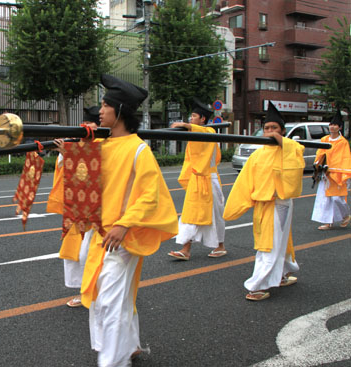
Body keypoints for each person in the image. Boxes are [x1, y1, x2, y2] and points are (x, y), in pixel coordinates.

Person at [80, 75, 179, 366]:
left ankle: (113, 361)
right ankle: (129, 345)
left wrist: (124, 223)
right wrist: (71, 154)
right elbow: (87, 183)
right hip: (101, 234)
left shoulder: (139, 149)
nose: (100, 110)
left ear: (119, 110)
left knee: (110, 299)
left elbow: (151, 196)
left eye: (105, 105)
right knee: (110, 296)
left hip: (122, 236)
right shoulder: (102, 144)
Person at [223, 101, 304, 301]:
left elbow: (297, 156)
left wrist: (282, 141)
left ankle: (283, 274)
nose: (269, 131)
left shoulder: (290, 148)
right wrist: (237, 206)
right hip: (265, 204)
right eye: (266, 128)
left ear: (282, 131)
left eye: (274, 128)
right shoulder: (258, 155)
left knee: (282, 242)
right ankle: (256, 286)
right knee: (269, 245)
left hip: (283, 202)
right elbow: (244, 182)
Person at [47, 106, 101, 308]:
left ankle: (98, 290)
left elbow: (89, 174)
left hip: (98, 209)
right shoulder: (78, 142)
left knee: (91, 253)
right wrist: (66, 153)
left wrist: (71, 155)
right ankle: (84, 291)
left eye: (91, 122)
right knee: (77, 253)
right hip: (78, 208)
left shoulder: (105, 144)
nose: (86, 126)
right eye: (85, 122)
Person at [168, 98, 226, 261]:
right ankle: (186, 249)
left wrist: (187, 126)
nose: (190, 119)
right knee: (191, 213)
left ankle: (220, 245)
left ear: (202, 120)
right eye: (190, 117)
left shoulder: (209, 132)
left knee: (216, 214)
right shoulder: (194, 133)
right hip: (196, 178)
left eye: (194, 116)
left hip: (210, 179)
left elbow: (206, 133)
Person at [311, 110, 351, 230]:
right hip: (325, 173)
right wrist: (318, 165)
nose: (332, 127)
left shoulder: (342, 142)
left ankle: (345, 215)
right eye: (331, 124)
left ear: (339, 127)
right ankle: (328, 222)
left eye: (335, 125)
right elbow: (320, 153)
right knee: (325, 198)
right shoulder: (325, 139)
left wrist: (340, 171)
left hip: (337, 173)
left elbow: (344, 157)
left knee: (337, 198)